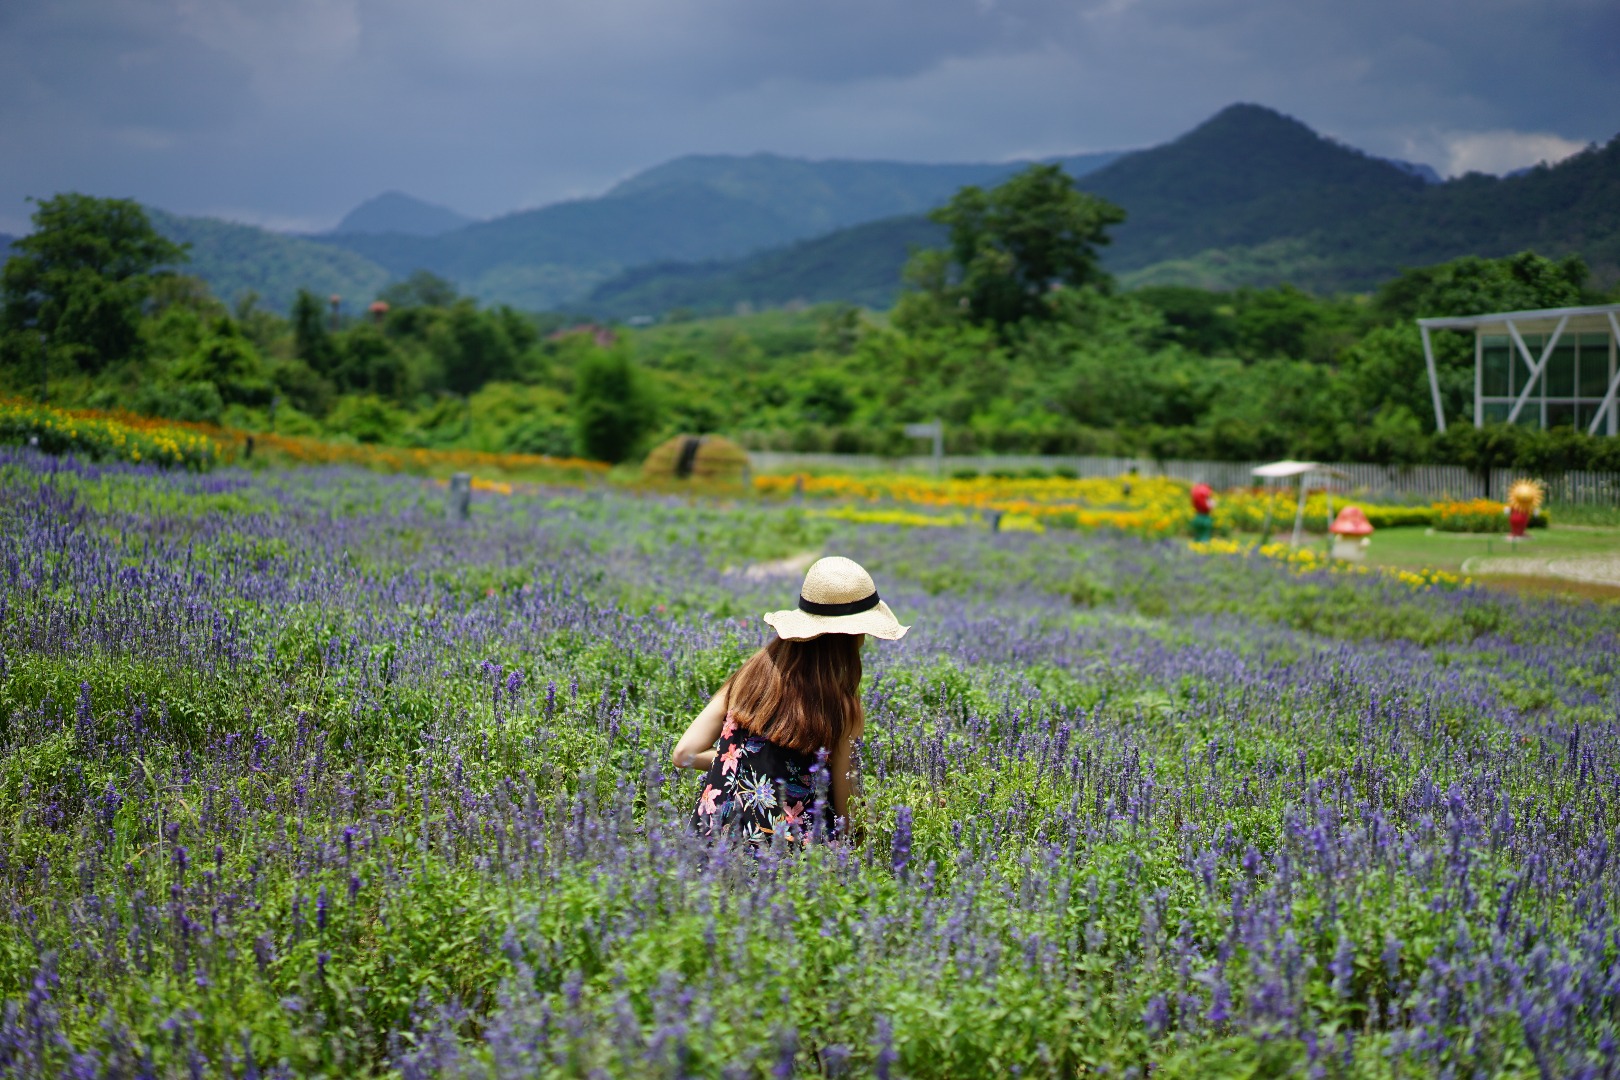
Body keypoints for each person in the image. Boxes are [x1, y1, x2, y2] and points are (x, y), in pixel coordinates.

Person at [673, 556, 908, 844]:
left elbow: (683, 754)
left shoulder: (750, 676)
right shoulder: (843, 708)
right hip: (787, 862)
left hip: (709, 846)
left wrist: (742, 762)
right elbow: (848, 809)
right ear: (852, 636)